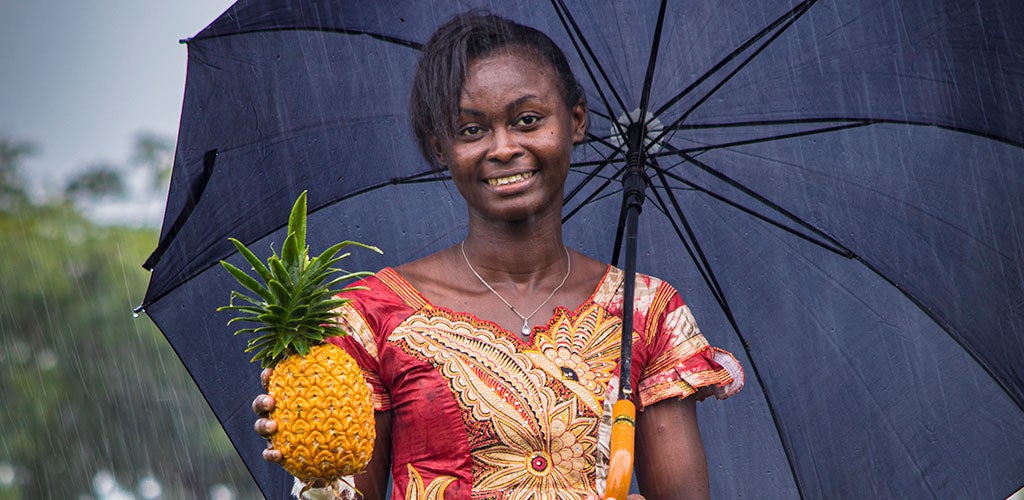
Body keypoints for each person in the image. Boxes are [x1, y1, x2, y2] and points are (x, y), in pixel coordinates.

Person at [253, 12, 743, 500]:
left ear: (575, 120)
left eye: (527, 120)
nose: (504, 147)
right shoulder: (371, 315)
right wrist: (316, 474)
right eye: (471, 130)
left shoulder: (646, 313)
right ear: (437, 146)